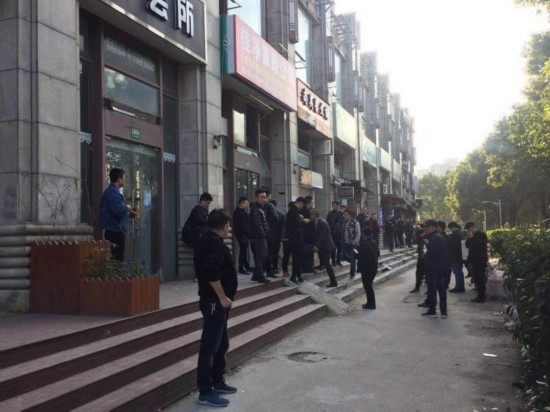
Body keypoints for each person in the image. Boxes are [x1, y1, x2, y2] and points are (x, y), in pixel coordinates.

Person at [195, 209, 238, 407]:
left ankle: (218, 380)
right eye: (228, 225)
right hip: (214, 301)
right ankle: (205, 391)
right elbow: (212, 273)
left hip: (219, 302)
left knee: (221, 343)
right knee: (210, 345)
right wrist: (222, 297)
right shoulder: (211, 243)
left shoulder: (213, 240)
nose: (229, 229)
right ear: (222, 227)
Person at [100, 168, 138, 261]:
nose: (125, 180)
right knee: (116, 260)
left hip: (116, 230)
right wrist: (127, 208)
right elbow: (118, 209)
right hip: (114, 231)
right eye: (123, 178)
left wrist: (129, 214)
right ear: (118, 179)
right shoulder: (112, 192)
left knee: (117, 259)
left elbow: (117, 211)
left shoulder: (114, 191)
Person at [421, 219, 451, 318]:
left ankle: (432, 311)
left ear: (433, 228)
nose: (424, 229)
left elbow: (430, 253)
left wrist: (425, 255)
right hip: (441, 268)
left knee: (432, 290)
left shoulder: (432, 238)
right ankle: (443, 312)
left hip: (433, 268)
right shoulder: (439, 236)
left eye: (426, 227)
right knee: (442, 291)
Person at [310, 209, 338, 287]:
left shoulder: (322, 223)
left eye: (311, 215)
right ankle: (333, 281)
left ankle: (333, 282)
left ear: (315, 215)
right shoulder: (318, 222)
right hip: (324, 246)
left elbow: (323, 236)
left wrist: (317, 246)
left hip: (327, 246)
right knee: (326, 264)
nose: (310, 217)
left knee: (327, 264)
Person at [248, 189, 271, 284]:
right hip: (258, 238)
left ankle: (256, 275)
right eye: (261, 197)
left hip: (259, 237)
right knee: (261, 257)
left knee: (262, 256)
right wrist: (263, 235)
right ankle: (260, 276)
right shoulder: (256, 210)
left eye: (265, 197)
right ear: (256, 198)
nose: (264, 199)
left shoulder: (260, 209)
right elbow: (258, 225)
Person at [465, 221, 488, 303]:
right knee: (477, 279)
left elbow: (479, 246)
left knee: (480, 279)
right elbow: (467, 245)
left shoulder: (481, 235)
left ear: (472, 227)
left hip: (480, 260)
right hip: (473, 261)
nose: (469, 231)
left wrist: (472, 238)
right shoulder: (471, 236)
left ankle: (482, 297)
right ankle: (479, 295)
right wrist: (469, 238)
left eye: (469, 229)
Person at [357, 227, 380, 309]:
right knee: (368, 286)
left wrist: (355, 250)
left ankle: (371, 304)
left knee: (367, 286)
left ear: (364, 234)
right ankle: (369, 303)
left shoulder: (364, 244)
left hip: (366, 268)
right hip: (374, 267)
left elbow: (359, 256)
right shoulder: (374, 242)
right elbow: (378, 253)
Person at [286, 197, 308, 284]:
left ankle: (298, 276)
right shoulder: (293, 211)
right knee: (297, 258)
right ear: (300, 203)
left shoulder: (294, 211)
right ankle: (293, 277)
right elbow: (297, 224)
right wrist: (304, 221)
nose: (302, 207)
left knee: (298, 258)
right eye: (302, 205)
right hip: (296, 239)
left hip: (296, 238)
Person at [232, 197, 250, 275]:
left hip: (241, 235)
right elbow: (243, 226)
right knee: (243, 252)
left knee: (244, 252)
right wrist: (248, 234)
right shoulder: (239, 213)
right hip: (241, 235)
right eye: (246, 203)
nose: (247, 205)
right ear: (242, 203)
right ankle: (241, 268)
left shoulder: (241, 212)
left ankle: (246, 267)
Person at [264, 190, 280, 277]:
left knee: (265, 253)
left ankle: (264, 270)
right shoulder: (270, 205)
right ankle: (269, 271)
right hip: (270, 232)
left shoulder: (259, 206)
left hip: (263, 233)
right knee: (270, 253)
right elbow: (276, 218)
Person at [341, 210, 361, 279]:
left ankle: (352, 274)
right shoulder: (344, 222)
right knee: (342, 256)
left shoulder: (355, 223)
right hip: (345, 243)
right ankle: (353, 262)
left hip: (353, 244)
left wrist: (354, 242)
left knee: (353, 257)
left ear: (349, 215)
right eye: (344, 215)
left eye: (345, 215)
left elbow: (358, 234)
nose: (344, 216)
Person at [447, 222, 465, 293]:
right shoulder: (461, 232)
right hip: (460, 255)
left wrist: (450, 238)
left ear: (453, 227)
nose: (450, 230)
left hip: (456, 256)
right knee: (459, 272)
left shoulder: (456, 234)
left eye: (450, 228)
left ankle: (458, 287)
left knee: (457, 272)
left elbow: (454, 244)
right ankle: (461, 286)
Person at [268, 199, 284, 275]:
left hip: (268, 236)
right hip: (277, 236)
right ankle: (274, 268)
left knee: (269, 253)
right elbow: (282, 227)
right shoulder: (280, 214)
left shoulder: (266, 214)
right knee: (275, 253)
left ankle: (268, 268)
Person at [327, 201, 345, 266]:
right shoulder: (330, 214)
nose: (333, 207)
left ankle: (338, 261)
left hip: (339, 233)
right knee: (333, 248)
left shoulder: (341, 214)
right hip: (332, 233)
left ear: (337, 206)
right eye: (332, 205)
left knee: (340, 248)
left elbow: (342, 223)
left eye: (334, 205)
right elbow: (328, 223)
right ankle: (333, 261)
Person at [300, 196, 315, 274]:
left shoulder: (301, 211)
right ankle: (309, 268)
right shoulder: (308, 212)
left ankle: (304, 267)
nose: (313, 204)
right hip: (309, 236)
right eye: (312, 203)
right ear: (308, 203)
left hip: (302, 236)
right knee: (309, 253)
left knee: (304, 253)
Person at [410, 225, 426, 294]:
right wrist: (420, 237)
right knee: (418, 272)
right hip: (421, 256)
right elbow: (415, 241)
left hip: (428, 258)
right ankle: (417, 287)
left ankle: (430, 290)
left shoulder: (432, 236)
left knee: (428, 274)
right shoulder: (421, 234)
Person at [281, 201, 294, 277]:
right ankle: (291, 271)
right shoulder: (295, 215)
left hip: (285, 238)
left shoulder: (284, 215)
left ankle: (285, 271)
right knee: (293, 256)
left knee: (286, 256)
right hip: (291, 239)